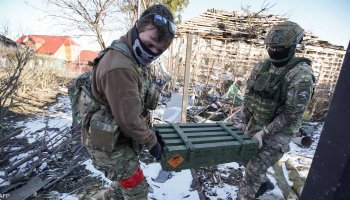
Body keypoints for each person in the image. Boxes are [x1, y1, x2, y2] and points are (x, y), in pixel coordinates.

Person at [70, 4, 176, 200]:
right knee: (137, 191)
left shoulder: (130, 53)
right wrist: (153, 143)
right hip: (110, 147)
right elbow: (129, 120)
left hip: (117, 140)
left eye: (158, 50)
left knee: (120, 186)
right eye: (150, 43)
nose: (152, 52)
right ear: (138, 26)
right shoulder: (121, 67)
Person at [236, 21, 315, 199]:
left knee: (251, 176)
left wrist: (265, 132)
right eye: (271, 47)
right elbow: (249, 94)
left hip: (277, 133)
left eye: (280, 48)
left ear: (293, 47)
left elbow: (292, 114)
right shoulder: (263, 66)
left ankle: (249, 191)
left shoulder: (300, 74)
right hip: (255, 125)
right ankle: (263, 185)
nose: (275, 51)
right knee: (244, 158)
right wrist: (243, 120)